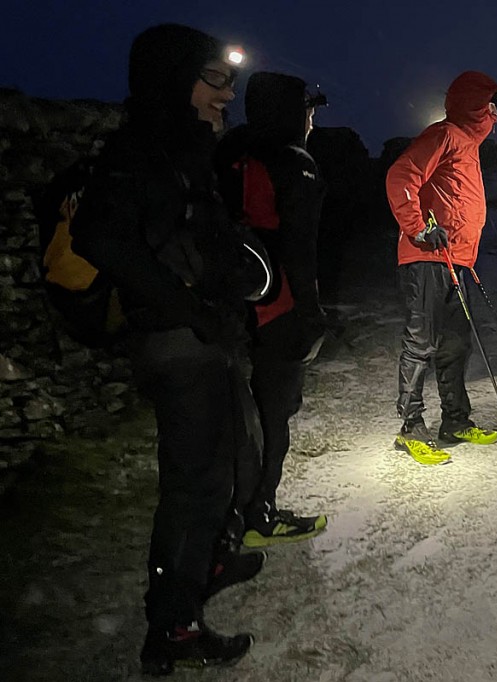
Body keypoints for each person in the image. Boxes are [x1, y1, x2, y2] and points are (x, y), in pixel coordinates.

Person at [71, 24, 269, 673]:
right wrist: (188, 307)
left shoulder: (179, 148)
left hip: (201, 339)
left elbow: (192, 234)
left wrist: (228, 275)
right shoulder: (142, 148)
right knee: (194, 484)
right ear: (173, 77)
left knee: (218, 469)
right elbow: (99, 236)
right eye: (215, 78)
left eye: (230, 81)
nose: (228, 93)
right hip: (177, 346)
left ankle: (202, 565)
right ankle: (172, 627)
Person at [216, 72, 330, 547]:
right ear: (293, 111)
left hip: (228, 306)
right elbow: (298, 249)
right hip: (276, 307)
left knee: (237, 416)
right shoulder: (293, 162)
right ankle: (261, 514)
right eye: (308, 110)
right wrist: (311, 316)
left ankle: (231, 512)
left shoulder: (229, 151)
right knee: (273, 412)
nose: (311, 120)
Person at [385, 70, 497, 466]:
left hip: (456, 260)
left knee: (456, 344)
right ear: (475, 102)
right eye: (492, 103)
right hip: (427, 257)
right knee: (421, 343)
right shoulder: (445, 134)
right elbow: (401, 175)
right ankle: (410, 429)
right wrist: (419, 228)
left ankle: (454, 421)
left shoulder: (468, 145)